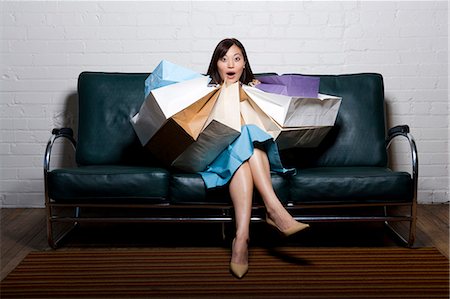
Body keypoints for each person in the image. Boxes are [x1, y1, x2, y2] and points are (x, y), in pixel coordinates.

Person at [200, 38, 310, 279]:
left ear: (244, 63)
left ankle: (241, 239)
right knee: (248, 139)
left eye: (236, 58)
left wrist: (257, 93)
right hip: (217, 157)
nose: (230, 63)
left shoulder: (255, 89)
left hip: (246, 156)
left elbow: (271, 128)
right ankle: (273, 208)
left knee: (249, 147)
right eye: (224, 58)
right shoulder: (205, 91)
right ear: (216, 63)